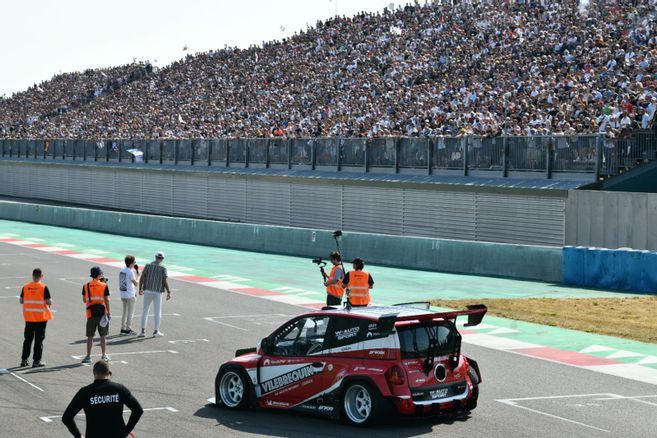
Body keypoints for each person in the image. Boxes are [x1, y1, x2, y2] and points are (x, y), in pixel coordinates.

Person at [62, 360, 143, 438]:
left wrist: (78, 435)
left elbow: (66, 417)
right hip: (117, 435)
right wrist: (126, 431)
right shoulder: (120, 389)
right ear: (108, 372)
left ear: (94, 372)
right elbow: (138, 410)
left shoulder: (85, 392)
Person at [19, 268, 52, 367]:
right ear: (41, 276)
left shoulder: (25, 287)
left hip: (29, 317)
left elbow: (21, 300)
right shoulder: (44, 287)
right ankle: (36, 361)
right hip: (40, 318)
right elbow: (49, 302)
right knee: (39, 340)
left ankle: (24, 360)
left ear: (32, 275)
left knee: (27, 339)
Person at [138, 251, 171, 337]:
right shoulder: (163, 268)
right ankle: (156, 331)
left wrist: (140, 288)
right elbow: (164, 280)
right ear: (162, 259)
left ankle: (142, 331)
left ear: (155, 257)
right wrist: (168, 291)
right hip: (157, 292)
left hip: (148, 290)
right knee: (157, 312)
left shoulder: (148, 265)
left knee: (145, 311)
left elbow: (142, 277)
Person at [82, 267, 111, 364]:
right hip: (102, 313)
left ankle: (88, 356)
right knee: (103, 335)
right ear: (99, 275)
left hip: (90, 314)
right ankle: (103, 355)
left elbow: (84, 300)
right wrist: (109, 312)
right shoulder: (104, 285)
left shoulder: (86, 286)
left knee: (90, 336)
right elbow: (106, 299)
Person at [119, 255, 140, 336]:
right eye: (134, 262)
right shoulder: (130, 271)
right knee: (130, 313)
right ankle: (128, 329)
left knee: (124, 312)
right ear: (131, 263)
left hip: (123, 294)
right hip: (130, 295)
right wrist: (138, 276)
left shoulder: (122, 270)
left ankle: (122, 329)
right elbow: (136, 283)